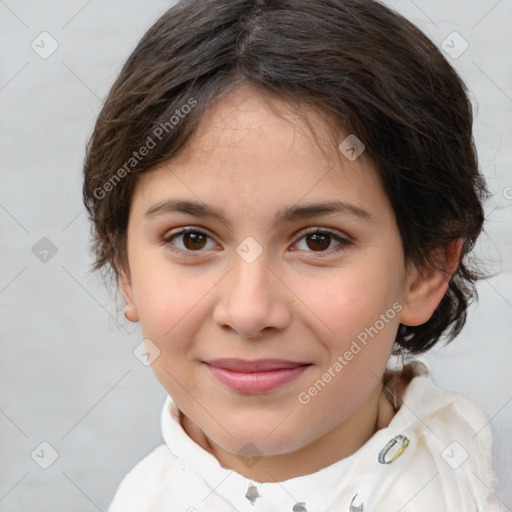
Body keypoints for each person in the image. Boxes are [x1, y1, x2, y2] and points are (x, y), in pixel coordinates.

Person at [82, 0, 505, 510]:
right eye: (193, 239)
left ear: (424, 271)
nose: (248, 311)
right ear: (125, 269)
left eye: (318, 240)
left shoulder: (464, 473)